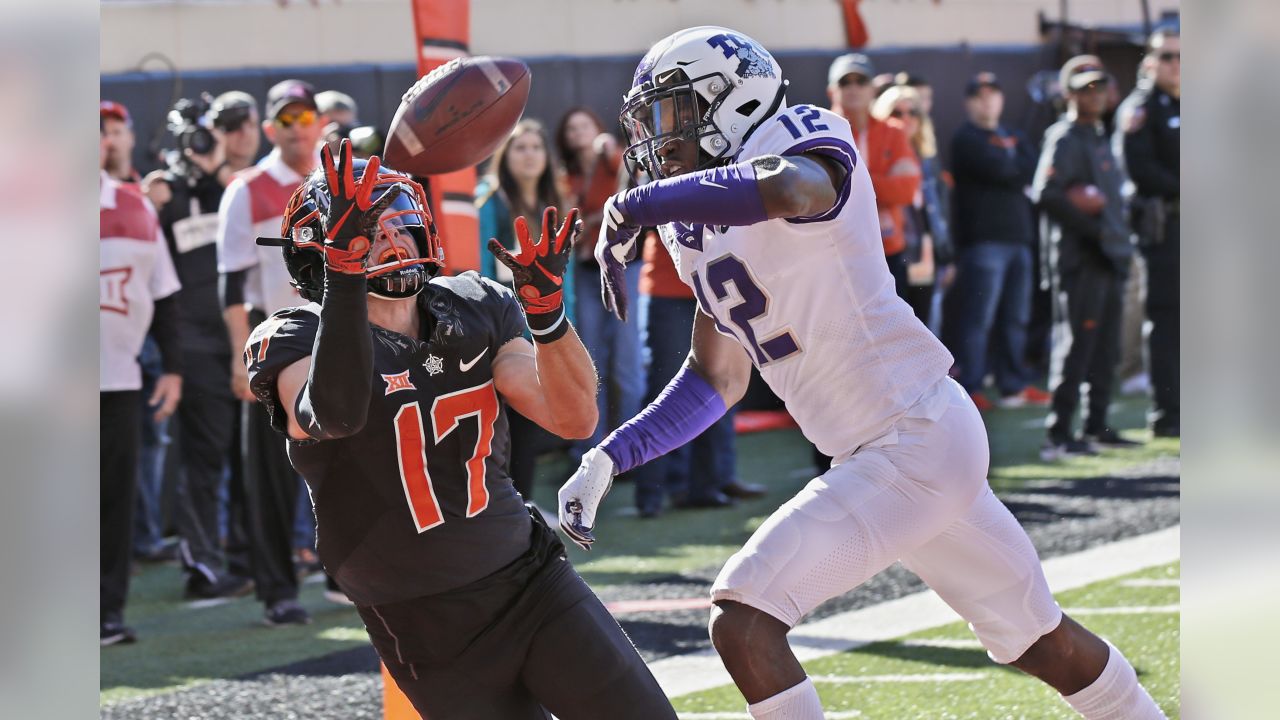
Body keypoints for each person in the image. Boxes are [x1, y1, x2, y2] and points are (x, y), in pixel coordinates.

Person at [559, 26, 1166, 720]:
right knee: (1041, 640)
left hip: (912, 432)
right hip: (890, 448)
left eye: (674, 114)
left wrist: (644, 202)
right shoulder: (691, 217)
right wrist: (611, 456)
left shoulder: (799, 133)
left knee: (743, 616)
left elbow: (788, 189)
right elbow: (716, 377)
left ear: (732, 101)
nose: (659, 140)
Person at [248, 140, 677, 720]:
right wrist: (346, 278)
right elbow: (335, 414)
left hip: (530, 577)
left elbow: (573, 415)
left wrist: (549, 318)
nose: (392, 242)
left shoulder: (476, 304)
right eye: (367, 235)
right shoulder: (292, 336)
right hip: (423, 617)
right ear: (320, 255)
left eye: (397, 226)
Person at [216, 78, 327, 625]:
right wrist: (243, 355)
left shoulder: (335, 181)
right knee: (270, 471)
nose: (298, 128)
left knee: (346, 460)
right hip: (275, 338)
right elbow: (231, 283)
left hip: (336, 334)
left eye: (305, 117)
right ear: (268, 128)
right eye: (286, 119)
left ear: (320, 121)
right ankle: (277, 590)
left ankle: (341, 573)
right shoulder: (248, 187)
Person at [144, 90, 262, 599]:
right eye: (220, 130)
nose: (229, 138)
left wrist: (218, 174)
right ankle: (203, 565)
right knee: (206, 456)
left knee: (250, 457)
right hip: (194, 346)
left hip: (251, 339)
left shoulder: (241, 188)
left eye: (238, 127)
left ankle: (249, 557)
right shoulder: (165, 193)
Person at [1033, 57, 1144, 460]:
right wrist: (1093, 227)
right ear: (1069, 95)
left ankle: (1098, 426)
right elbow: (1046, 194)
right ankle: (1058, 434)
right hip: (1081, 258)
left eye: (1099, 87)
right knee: (1076, 346)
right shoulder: (1063, 137)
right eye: (1084, 89)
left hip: (1110, 255)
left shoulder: (1098, 136)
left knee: (1105, 348)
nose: (1093, 95)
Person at [100, 128, 183, 645]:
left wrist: (172, 369)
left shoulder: (135, 207)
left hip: (118, 379)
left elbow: (166, 296)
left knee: (112, 502)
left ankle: (106, 612)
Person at [476, 119, 574, 504]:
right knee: (501, 426)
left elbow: (561, 279)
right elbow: (480, 269)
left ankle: (525, 506)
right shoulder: (489, 199)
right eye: (520, 147)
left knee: (531, 425)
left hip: (545, 331)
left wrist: (565, 328)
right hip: (502, 332)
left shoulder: (555, 201)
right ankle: (503, 509)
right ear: (505, 156)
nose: (529, 154)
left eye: (536, 146)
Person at [632, 231, 761, 517]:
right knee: (662, 389)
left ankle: (709, 484)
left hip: (719, 285)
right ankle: (653, 491)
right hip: (668, 290)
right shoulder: (649, 182)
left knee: (722, 383)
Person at [948, 72, 1050, 411]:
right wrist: (1013, 164)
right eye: (980, 95)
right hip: (983, 241)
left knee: (1016, 317)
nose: (987, 100)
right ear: (969, 102)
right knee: (979, 319)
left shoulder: (1014, 135)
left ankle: (1013, 385)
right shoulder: (965, 138)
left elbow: (1032, 168)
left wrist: (1013, 164)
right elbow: (1004, 170)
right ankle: (972, 386)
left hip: (1019, 238)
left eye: (993, 94)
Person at [555, 107, 645, 454]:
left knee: (627, 360)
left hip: (624, 267)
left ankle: (633, 447)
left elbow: (631, 176)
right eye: (571, 128)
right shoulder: (566, 176)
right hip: (586, 272)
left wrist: (608, 146)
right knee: (590, 360)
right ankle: (593, 449)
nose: (577, 133)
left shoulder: (610, 157)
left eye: (584, 125)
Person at [1114, 27, 1180, 438]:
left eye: (1182, 56)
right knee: (1168, 319)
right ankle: (1168, 412)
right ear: (1151, 62)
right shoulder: (1141, 108)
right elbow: (1140, 171)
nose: (1176, 64)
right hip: (1164, 226)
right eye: (1168, 56)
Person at [826, 53, 920, 299]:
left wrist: (853, 180)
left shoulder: (894, 132)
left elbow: (907, 190)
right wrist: (881, 181)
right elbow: (824, 195)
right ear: (831, 91)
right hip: (837, 254)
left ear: (872, 89)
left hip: (888, 250)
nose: (854, 88)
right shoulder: (819, 133)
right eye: (846, 82)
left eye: (861, 81)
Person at [871, 84, 953, 329]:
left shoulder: (927, 158)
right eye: (897, 112)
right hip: (889, 252)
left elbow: (938, 211)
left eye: (913, 112)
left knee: (925, 327)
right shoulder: (874, 154)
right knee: (895, 329)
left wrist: (945, 256)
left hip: (923, 253)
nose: (906, 119)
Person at [100, 100, 140, 183]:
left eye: (116, 132)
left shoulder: (145, 187)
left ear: (131, 137)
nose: (109, 140)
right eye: (104, 134)